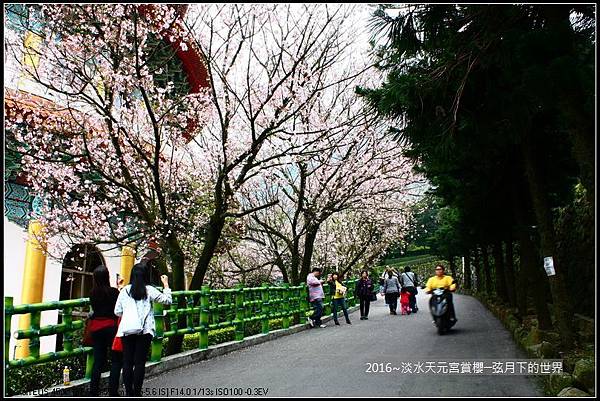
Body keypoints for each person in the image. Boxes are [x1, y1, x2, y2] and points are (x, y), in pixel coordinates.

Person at [114, 263, 172, 396]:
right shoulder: (149, 290)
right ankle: (137, 392)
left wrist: (129, 315)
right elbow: (167, 300)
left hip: (127, 330)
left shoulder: (124, 291)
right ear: (146, 275)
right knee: (139, 362)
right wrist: (166, 285)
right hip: (144, 331)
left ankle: (128, 393)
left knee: (127, 362)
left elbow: (117, 311)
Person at [88, 266, 123, 396]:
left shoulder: (92, 293)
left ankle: (93, 392)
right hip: (111, 327)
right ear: (107, 277)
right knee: (116, 360)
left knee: (98, 362)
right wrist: (118, 288)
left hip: (96, 328)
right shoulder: (114, 292)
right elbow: (117, 309)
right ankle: (113, 392)